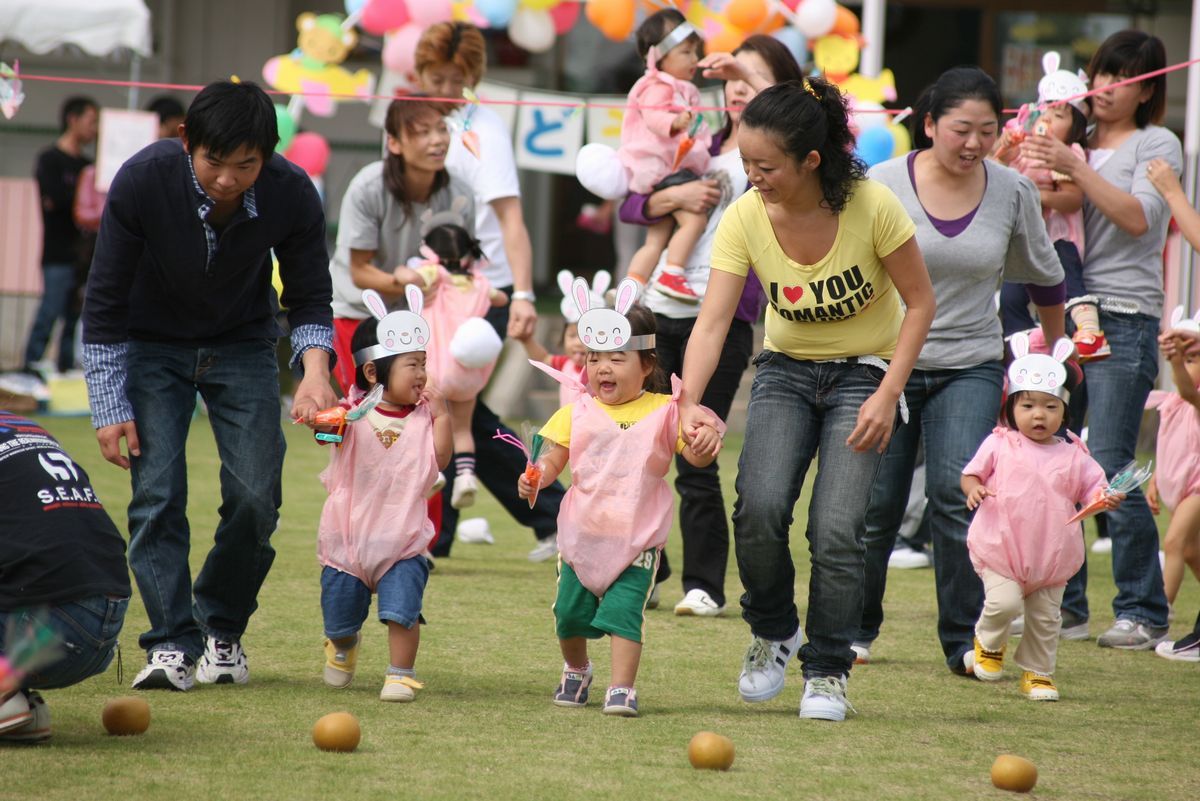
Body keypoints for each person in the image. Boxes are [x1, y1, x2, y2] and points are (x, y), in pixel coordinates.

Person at [680, 78, 936, 721]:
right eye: (745, 164)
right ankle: (772, 632)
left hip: (863, 375)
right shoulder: (744, 215)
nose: (753, 177)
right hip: (785, 373)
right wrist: (689, 402)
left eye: (765, 167)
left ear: (811, 160)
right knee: (760, 509)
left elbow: (921, 303)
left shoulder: (872, 206)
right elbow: (712, 323)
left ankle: (826, 669)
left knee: (837, 529)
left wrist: (888, 392)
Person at [81, 80, 337, 691]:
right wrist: (108, 405)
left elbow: (309, 296)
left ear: (268, 155)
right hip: (150, 347)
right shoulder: (142, 181)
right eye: (213, 162)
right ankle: (170, 642)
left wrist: (315, 375)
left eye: (245, 165)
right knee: (157, 495)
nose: (227, 178)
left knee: (256, 497)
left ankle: (222, 630)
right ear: (186, 140)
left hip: (243, 343)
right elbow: (105, 301)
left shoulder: (291, 193)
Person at [855, 67, 1067, 673]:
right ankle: (855, 628)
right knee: (875, 502)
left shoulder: (1012, 191)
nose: (974, 143)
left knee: (960, 495)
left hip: (969, 363)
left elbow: (1044, 276)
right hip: (884, 362)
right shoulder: (881, 184)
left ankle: (966, 641)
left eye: (986, 129)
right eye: (960, 130)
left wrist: (1053, 359)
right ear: (928, 125)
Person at [619, 34, 802, 616]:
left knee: (695, 450)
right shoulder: (697, 141)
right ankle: (644, 569)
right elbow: (632, 200)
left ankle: (704, 585)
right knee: (635, 446)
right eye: (729, 81)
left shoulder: (786, 156)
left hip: (720, 320)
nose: (736, 88)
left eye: (751, 78)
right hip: (657, 312)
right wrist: (673, 199)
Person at [1021, 30, 1179, 649]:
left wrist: (1076, 170)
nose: (1106, 88)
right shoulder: (1074, 139)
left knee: (1109, 459)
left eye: (1123, 78)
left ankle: (1142, 608)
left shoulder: (1155, 143)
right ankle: (1073, 605)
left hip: (1122, 314)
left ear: (1147, 90)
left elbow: (1141, 220)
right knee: (1059, 456)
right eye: (1100, 75)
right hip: (1059, 309)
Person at [517, 287, 722, 717]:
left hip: (637, 539)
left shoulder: (667, 411)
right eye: (593, 358)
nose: (601, 368)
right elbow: (553, 455)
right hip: (581, 536)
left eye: (615, 358)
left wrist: (702, 443)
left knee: (624, 614)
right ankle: (576, 669)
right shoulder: (576, 410)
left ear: (647, 364)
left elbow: (695, 453)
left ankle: (621, 688)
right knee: (569, 616)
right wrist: (537, 476)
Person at [412, 22, 563, 561]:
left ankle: (553, 513)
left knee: (459, 405)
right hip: (435, 288)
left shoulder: (484, 131)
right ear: (418, 73)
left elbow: (512, 219)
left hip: (486, 290)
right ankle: (444, 534)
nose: (446, 86)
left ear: (473, 76)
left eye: (457, 78)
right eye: (436, 76)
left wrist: (523, 293)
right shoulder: (418, 124)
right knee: (449, 404)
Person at [962, 335, 1119, 702]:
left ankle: (1038, 672)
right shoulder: (999, 443)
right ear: (1012, 408)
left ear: (1064, 411)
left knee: (1047, 620)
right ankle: (988, 641)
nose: (1038, 415)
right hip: (1003, 549)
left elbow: (1096, 488)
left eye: (1050, 406)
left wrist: (1106, 498)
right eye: (1029, 405)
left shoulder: (1074, 454)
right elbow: (971, 474)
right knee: (1004, 604)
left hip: (1052, 556)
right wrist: (972, 488)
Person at [315, 288, 452, 702]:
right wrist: (318, 418)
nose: (422, 375)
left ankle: (400, 672)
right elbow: (325, 435)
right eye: (412, 365)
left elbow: (440, 459)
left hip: (403, 540)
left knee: (402, 613)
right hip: (348, 542)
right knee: (339, 618)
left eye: (424, 364)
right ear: (373, 372)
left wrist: (444, 415)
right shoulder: (352, 414)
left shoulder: (426, 417)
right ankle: (342, 645)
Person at [0, 412, 130, 743]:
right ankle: (19, 702)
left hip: (44, 625)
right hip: (101, 627)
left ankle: (4, 693)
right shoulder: (23, 424)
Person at [992, 52, 1108, 361]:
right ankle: (1019, 346)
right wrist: (1006, 146)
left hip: (1057, 238)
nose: (1046, 120)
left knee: (1067, 284)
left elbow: (1071, 199)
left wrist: (1033, 195)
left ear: (1076, 127)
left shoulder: (1067, 153)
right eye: (1043, 113)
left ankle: (1088, 331)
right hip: (1022, 240)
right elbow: (995, 167)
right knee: (1012, 296)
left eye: (1058, 115)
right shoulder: (1025, 149)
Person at [617, 8, 711, 303]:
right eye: (686, 52)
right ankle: (673, 272)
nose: (694, 60)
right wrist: (674, 123)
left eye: (695, 52)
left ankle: (630, 287)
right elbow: (653, 116)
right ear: (659, 57)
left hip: (664, 172)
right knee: (694, 221)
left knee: (655, 239)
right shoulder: (658, 86)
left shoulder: (677, 87)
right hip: (666, 170)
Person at [412, 222, 507, 509]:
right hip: (469, 372)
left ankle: (435, 472)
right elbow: (501, 299)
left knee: (428, 424)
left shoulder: (434, 275)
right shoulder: (480, 282)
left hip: (436, 369)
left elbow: (408, 280)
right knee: (462, 428)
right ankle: (466, 476)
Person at [22, 96, 98, 379]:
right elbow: (54, 198)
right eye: (91, 122)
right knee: (50, 309)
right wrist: (81, 203)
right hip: (57, 250)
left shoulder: (89, 165)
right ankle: (29, 366)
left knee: (75, 313)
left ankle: (65, 369)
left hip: (85, 251)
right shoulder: (50, 159)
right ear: (73, 120)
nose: (95, 129)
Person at [1144, 309, 1200, 615]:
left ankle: (1159, 611)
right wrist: (1155, 480)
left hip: (1197, 487)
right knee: (1191, 551)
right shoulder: (1171, 403)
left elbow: (1191, 392)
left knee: (1174, 542)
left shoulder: (1195, 400)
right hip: (1176, 483)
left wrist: (1177, 360)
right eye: (1185, 360)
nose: (1185, 366)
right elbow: (1168, 446)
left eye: (1194, 360)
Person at [513, 269, 609, 408]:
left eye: (585, 336)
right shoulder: (565, 364)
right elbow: (544, 358)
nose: (577, 343)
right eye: (572, 336)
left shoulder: (604, 369)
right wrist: (526, 340)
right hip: (568, 427)